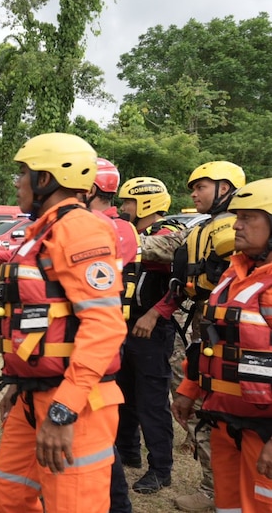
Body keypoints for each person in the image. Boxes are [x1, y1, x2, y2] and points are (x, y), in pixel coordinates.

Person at [0, 133, 127, 512]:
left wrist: (64, 408)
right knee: (11, 492)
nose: (17, 183)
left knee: (73, 505)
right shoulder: (42, 231)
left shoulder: (79, 228)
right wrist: (22, 383)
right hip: (35, 393)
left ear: (46, 179)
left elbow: (105, 324)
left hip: (76, 402)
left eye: (23, 174)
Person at [135, 160, 245, 513]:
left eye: (201, 186)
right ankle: (215, 489)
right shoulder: (200, 230)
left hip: (239, 337)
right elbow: (166, 254)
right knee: (206, 409)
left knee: (228, 411)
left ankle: (224, 491)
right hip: (206, 330)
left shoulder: (238, 234)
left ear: (225, 188)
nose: (194, 193)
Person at [172, 177, 272, 512]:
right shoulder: (233, 272)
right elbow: (209, 340)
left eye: (247, 218)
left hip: (265, 428)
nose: (236, 225)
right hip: (224, 419)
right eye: (236, 217)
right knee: (228, 506)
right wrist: (189, 387)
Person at [79, 158, 141, 510]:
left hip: (94, 337)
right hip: (111, 331)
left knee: (97, 440)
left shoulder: (95, 225)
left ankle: (117, 504)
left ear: (89, 190)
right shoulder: (124, 228)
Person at [114, 177, 181, 498]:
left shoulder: (167, 235)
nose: (122, 208)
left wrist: (155, 314)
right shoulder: (133, 235)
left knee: (152, 399)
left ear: (146, 203)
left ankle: (161, 469)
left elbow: (179, 286)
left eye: (127, 202)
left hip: (151, 328)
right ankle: (127, 450)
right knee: (124, 392)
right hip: (125, 324)